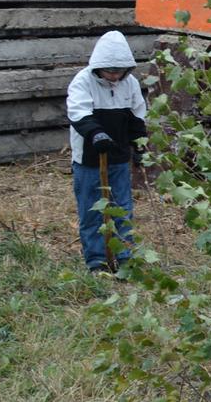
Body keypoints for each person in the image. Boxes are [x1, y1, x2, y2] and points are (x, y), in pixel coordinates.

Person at [67, 30, 147, 273]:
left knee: (122, 209)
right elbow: (78, 112)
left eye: (119, 70)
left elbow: (137, 116)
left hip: (119, 157)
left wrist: (139, 145)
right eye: (109, 70)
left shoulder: (130, 84)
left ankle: (125, 257)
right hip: (89, 159)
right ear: (98, 66)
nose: (114, 75)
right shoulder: (83, 81)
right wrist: (96, 134)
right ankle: (97, 262)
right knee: (92, 211)